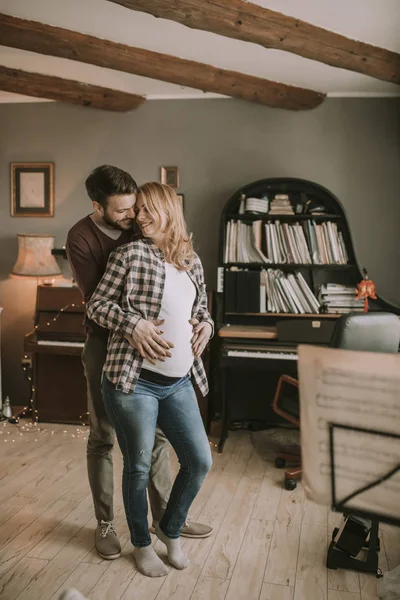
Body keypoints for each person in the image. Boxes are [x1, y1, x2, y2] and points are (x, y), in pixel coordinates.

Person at [66, 166, 212, 561]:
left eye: (140, 209)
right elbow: (99, 301)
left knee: (164, 444)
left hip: (172, 373)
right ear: (99, 207)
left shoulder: (162, 244)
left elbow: (193, 302)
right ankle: (108, 523)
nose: (135, 218)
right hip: (109, 346)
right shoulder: (85, 239)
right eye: (127, 212)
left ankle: (166, 518)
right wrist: (134, 327)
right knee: (105, 437)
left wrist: (204, 325)